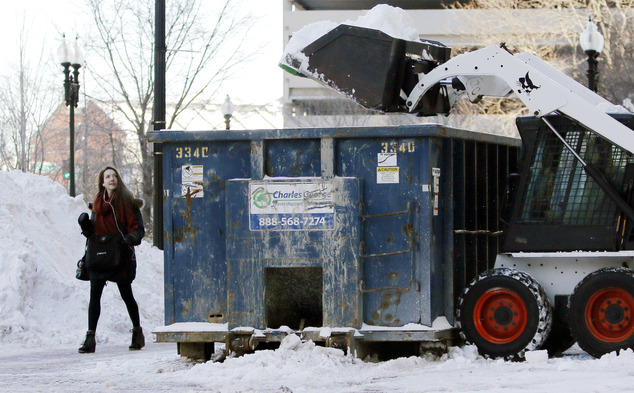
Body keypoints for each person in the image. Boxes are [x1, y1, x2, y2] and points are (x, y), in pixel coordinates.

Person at [77, 166, 145, 353]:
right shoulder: (97, 204)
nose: (111, 179)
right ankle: (90, 338)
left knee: (126, 294)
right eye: (108, 177)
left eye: (114, 176)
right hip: (100, 254)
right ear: (102, 182)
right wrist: (85, 225)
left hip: (120, 254)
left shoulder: (127, 202)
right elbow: (93, 232)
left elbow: (138, 229)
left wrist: (130, 239)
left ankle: (137, 332)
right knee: (95, 295)